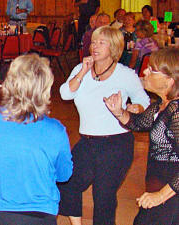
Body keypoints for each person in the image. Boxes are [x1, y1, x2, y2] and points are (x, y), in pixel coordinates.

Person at [0, 53, 73, 225]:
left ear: (9, 83)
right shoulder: (55, 130)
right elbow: (64, 175)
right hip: (39, 213)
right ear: (45, 88)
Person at [58, 26, 150, 225]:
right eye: (93, 42)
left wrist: (135, 107)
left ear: (114, 47)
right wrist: (82, 71)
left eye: (102, 42)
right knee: (68, 183)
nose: (95, 46)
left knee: (104, 197)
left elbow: (145, 102)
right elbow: (65, 94)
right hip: (87, 142)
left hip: (117, 143)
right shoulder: (80, 70)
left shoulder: (125, 75)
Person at [104, 48, 179, 225]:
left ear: (169, 81)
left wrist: (161, 196)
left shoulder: (176, 112)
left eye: (151, 70)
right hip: (159, 185)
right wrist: (118, 112)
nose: (145, 72)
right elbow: (138, 123)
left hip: (171, 192)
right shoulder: (161, 105)